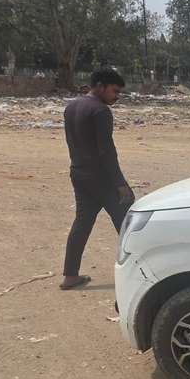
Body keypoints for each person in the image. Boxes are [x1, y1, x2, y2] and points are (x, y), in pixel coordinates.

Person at [61, 69, 134, 290]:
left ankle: (70, 276)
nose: (117, 96)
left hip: (79, 173)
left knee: (81, 224)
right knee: (129, 222)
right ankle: (140, 274)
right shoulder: (100, 111)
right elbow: (106, 151)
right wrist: (120, 184)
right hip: (101, 177)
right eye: (115, 91)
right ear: (100, 86)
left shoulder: (71, 107)